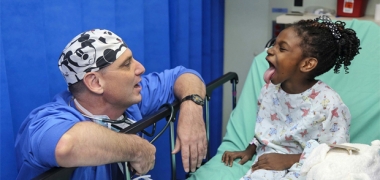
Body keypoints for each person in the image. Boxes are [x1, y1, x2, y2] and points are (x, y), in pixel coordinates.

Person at [14, 29, 207, 180]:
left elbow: (182, 76)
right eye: (127, 64)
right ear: (95, 83)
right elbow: (66, 145)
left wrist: (192, 108)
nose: (140, 68)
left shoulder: (129, 100)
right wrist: (137, 149)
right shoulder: (43, 121)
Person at [222, 15, 361, 180]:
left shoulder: (329, 103)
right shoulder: (269, 91)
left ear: (307, 64)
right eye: (274, 44)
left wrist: (289, 160)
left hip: (311, 166)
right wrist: (249, 150)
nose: (270, 50)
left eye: (282, 48)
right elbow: (264, 130)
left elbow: (336, 154)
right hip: (269, 163)